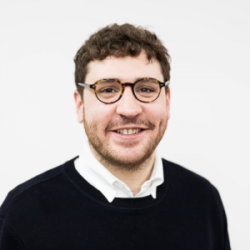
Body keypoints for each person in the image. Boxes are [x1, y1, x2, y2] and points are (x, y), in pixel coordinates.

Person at [0, 23, 231, 249]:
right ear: (80, 105)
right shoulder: (24, 213)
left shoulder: (203, 200)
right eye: (108, 89)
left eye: (146, 89)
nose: (129, 109)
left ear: (167, 101)